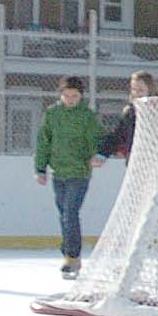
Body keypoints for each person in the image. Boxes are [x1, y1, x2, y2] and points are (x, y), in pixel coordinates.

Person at [98, 71, 158, 270]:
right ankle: (135, 261)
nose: (137, 93)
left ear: (150, 88)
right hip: (136, 168)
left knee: (154, 211)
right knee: (140, 212)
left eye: (141, 89)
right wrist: (102, 153)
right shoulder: (131, 111)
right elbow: (117, 135)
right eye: (134, 89)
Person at [33, 75, 106, 278]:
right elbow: (44, 141)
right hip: (59, 172)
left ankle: (72, 256)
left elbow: (96, 138)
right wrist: (40, 168)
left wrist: (96, 155)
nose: (70, 99)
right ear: (61, 95)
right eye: (67, 95)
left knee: (70, 213)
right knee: (64, 213)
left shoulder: (87, 116)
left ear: (81, 96)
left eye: (74, 96)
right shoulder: (52, 114)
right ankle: (70, 254)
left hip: (79, 173)